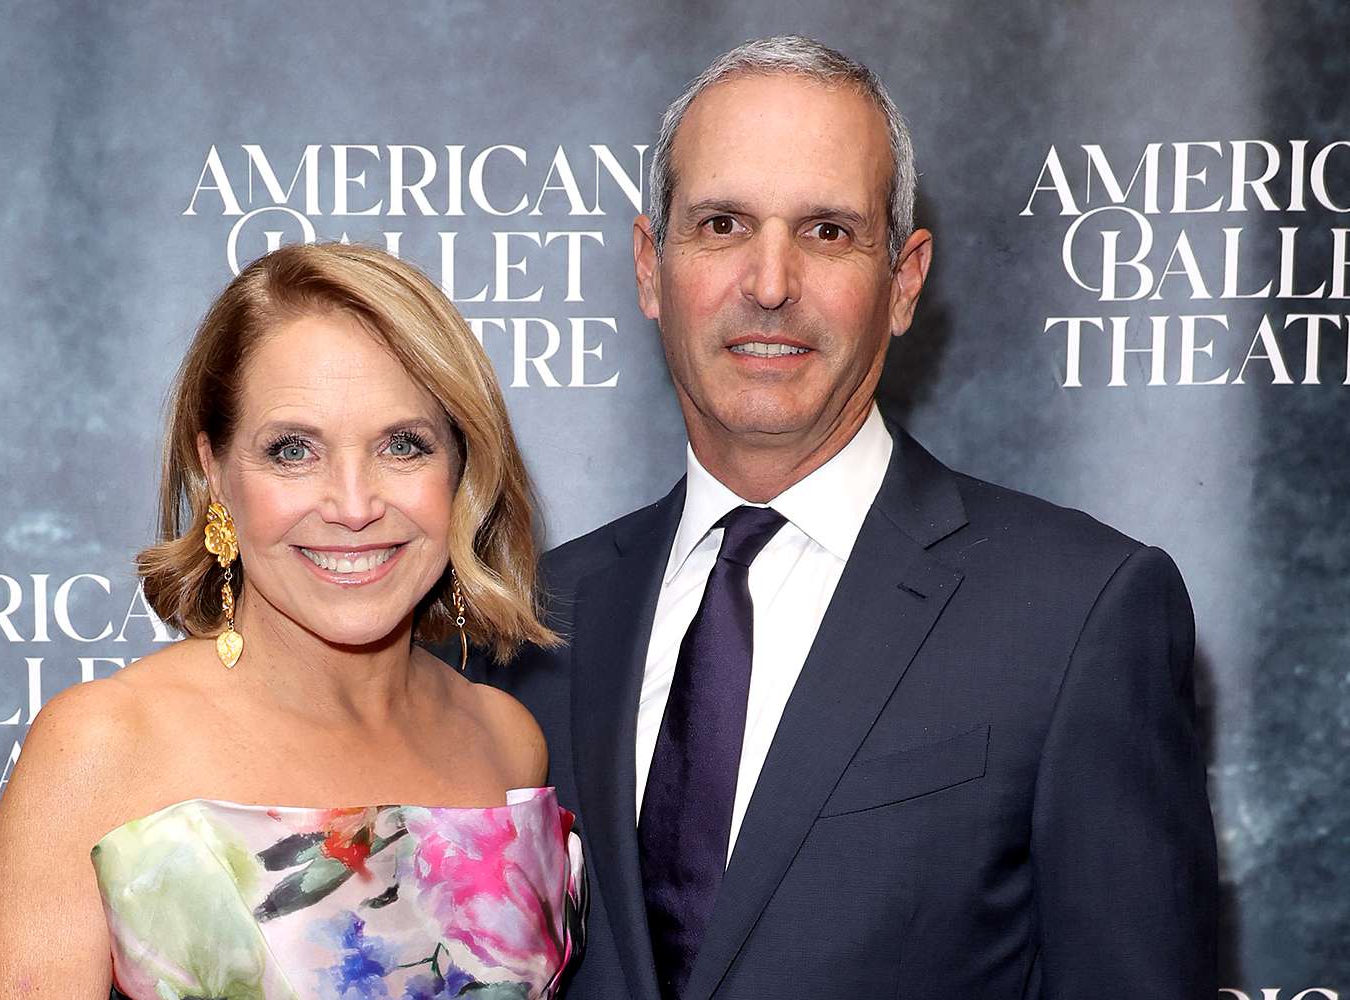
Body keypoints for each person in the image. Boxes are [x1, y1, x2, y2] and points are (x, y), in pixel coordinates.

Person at [469, 35, 1218, 1000]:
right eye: (723, 223)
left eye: (827, 231)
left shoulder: (1079, 613)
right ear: (651, 268)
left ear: (903, 281)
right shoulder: (525, 621)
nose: (770, 283)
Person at [0, 243, 585, 999]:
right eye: (293, 451)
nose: (353, 505)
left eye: (403, 445)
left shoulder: (505, 740)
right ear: (215, 473)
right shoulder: (102, 747)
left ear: (461, 471)